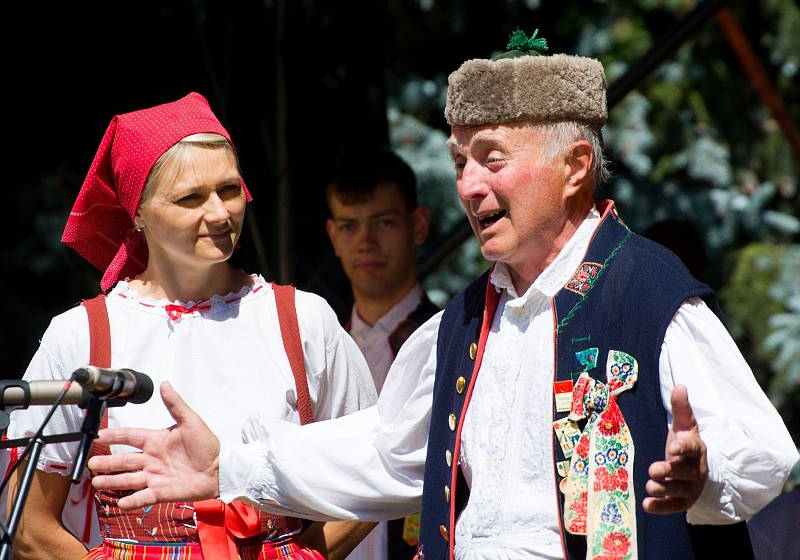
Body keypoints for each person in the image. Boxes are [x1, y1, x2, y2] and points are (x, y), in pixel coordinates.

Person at [87, 33, 799, 560]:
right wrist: (229, 467)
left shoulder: (650, 295)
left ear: (575, 167)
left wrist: (701, 481)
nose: (467, 186)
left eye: (491, 159)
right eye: (460, 162)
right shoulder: (463, 323)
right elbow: (386, 451)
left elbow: (766, 459)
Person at [5, 92, 376, 560]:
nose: (220, 214)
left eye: (229, 189)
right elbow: (28, 523)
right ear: (136, 212)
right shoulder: (82, 335)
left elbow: (376, 467)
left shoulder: (301, 320)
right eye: (190, 198)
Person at [313, 151, 437, 559]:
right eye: (349, 226)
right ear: (332, 236)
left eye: (383, 223)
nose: (365, 242)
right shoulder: (316, 349)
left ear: (417, 225)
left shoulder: (452, 339)